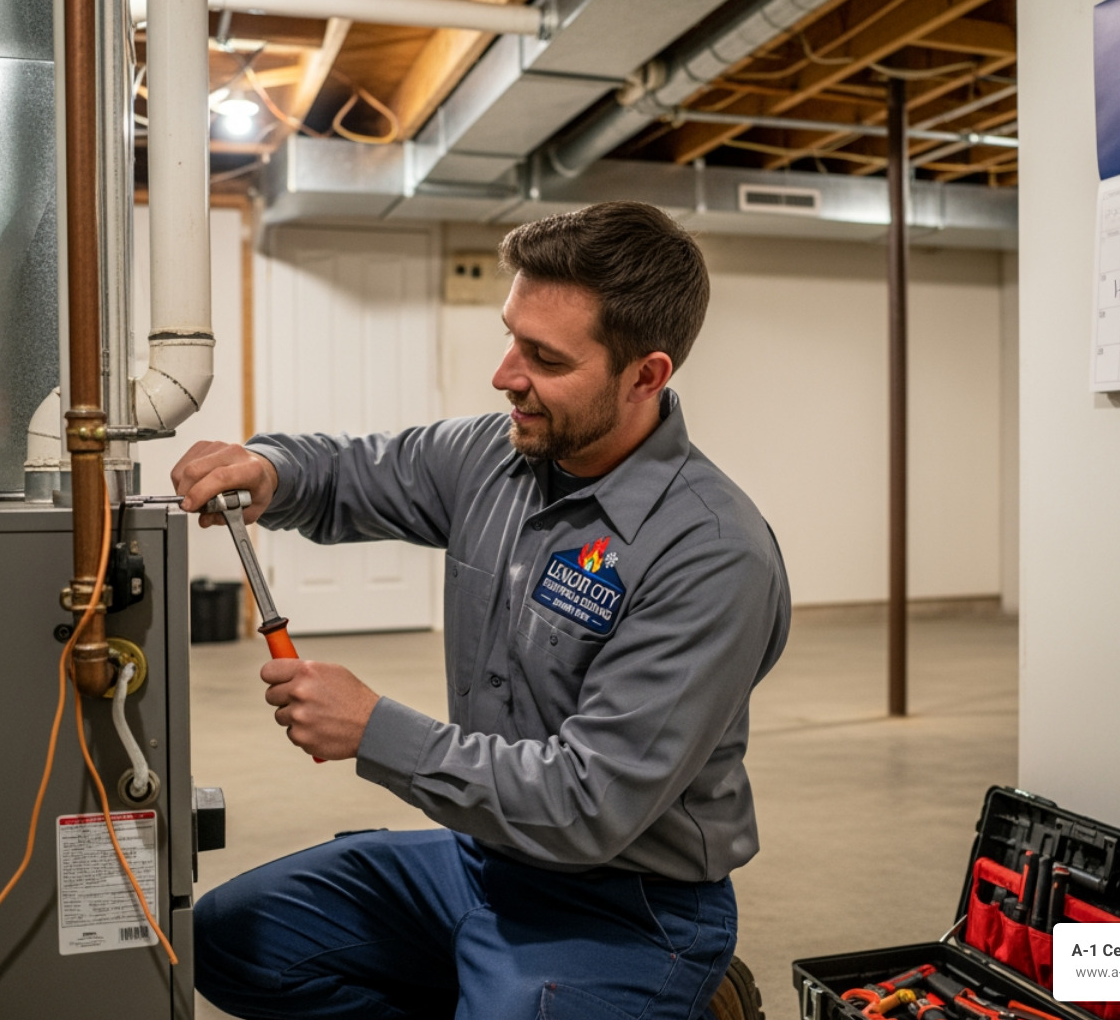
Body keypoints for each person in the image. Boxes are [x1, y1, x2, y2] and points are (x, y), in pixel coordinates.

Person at [174, 201, 791, 1020]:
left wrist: (374, 728)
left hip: (628, 904)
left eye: (544, 356)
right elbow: (355, 473)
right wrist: (267, 467)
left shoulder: (710, 553)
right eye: (511, 336)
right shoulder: (497, 455)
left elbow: (587, 803)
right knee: (229, 939)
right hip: (480, 862)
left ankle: (687, 993)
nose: (505, 373)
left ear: (646, 375)